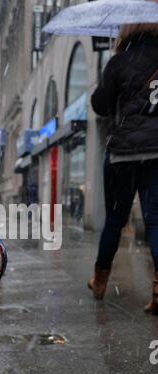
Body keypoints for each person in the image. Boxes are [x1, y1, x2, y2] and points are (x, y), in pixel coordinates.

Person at [89, 23, 158, 315]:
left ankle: (100, 279)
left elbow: (101, 106)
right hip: (156, 152)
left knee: (115, 220)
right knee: (155, 221)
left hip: (122, 154)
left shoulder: (118, 61)